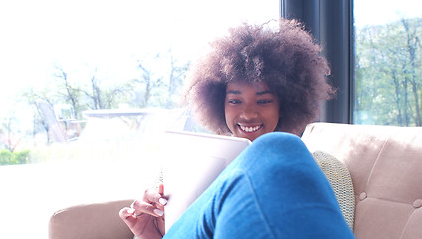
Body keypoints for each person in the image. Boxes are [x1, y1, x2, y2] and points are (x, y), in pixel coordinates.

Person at [119, 19, 355, 239]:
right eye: (234, 101)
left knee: (278, 146)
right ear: (218, 103)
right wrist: (148, 236)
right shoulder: (184, 164)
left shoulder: (326, 167)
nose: (248, 113)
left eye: (263, 101)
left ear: (285, 105)